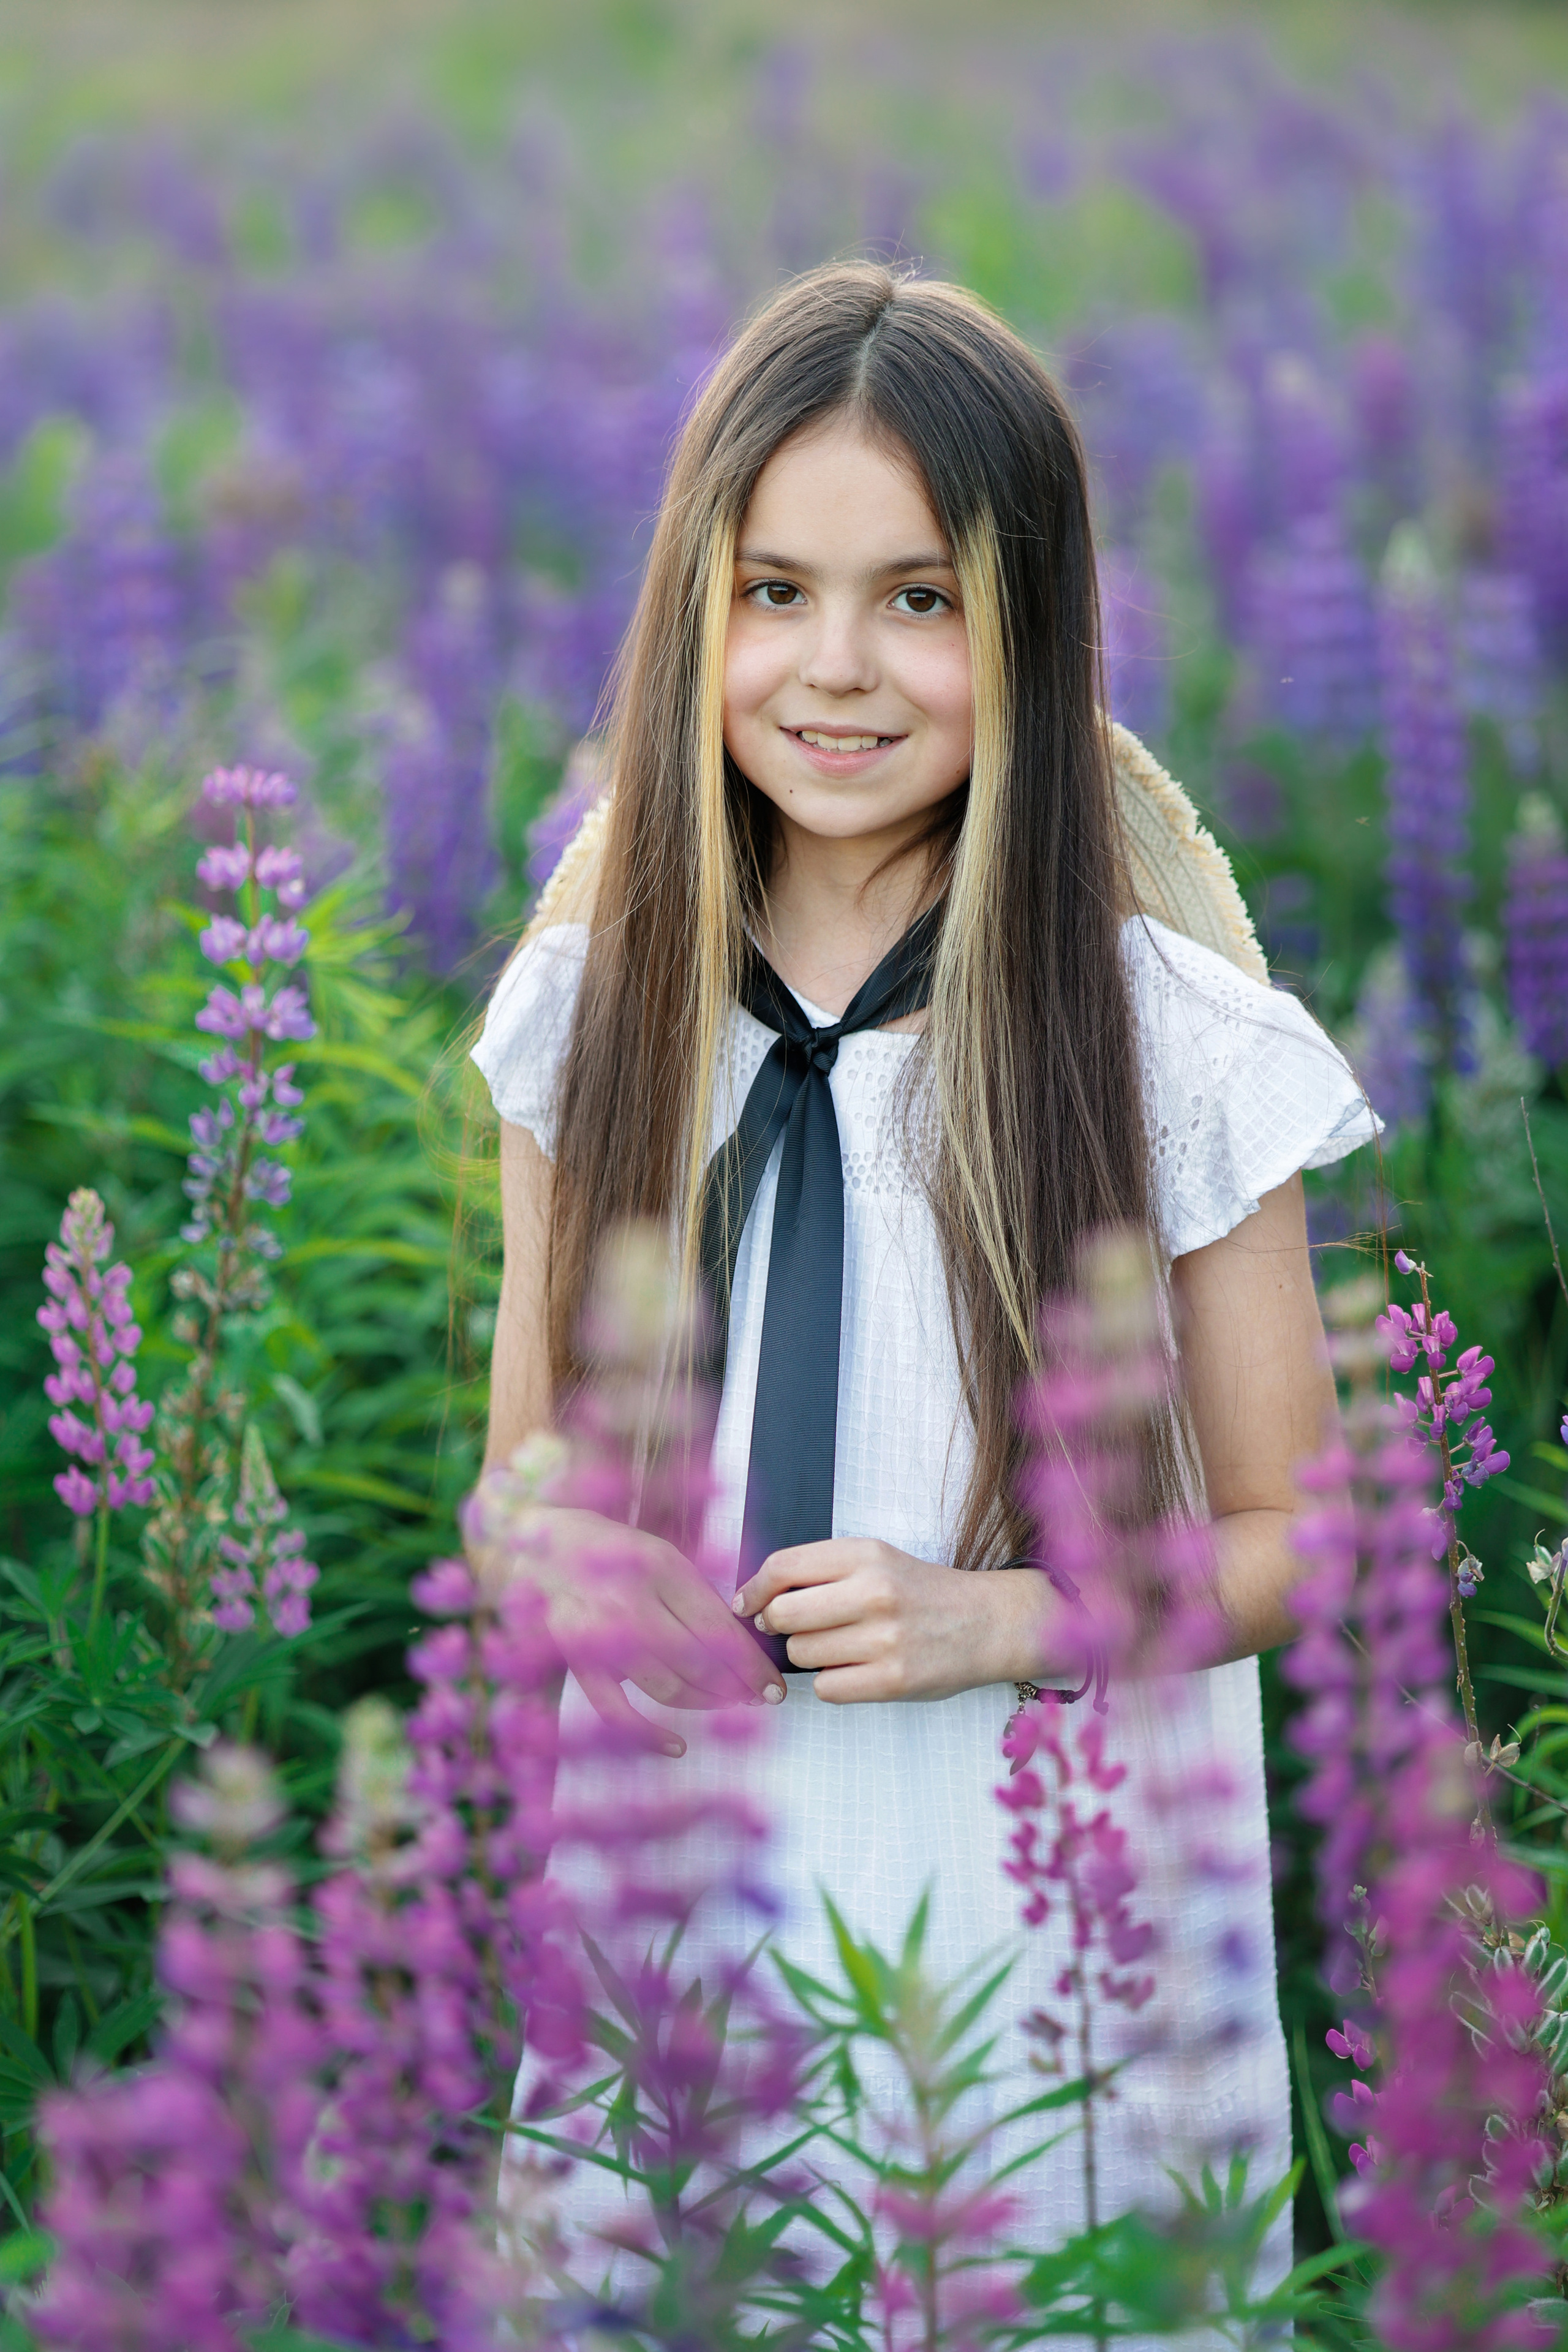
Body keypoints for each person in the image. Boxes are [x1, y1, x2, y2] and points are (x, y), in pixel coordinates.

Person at [470, 262, 1378, 2303]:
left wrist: (1004, 1618)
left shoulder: (1169, 1043)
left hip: (1055, 1922)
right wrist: (564, 1568)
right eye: (774, 592)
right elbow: (515, 1481)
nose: (837, 668)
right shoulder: (598, 1014)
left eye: (918, 598)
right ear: (693, 610)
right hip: (682, 1885)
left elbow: (1303, 1533)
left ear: (1030, 626)